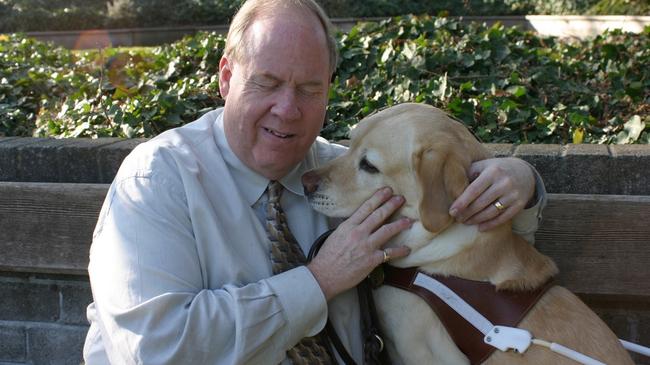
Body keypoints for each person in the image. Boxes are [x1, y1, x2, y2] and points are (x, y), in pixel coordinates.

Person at [82, 0, 546, 363]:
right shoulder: (158, 180)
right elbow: (156, 352)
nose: (288, 109)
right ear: (226, 78)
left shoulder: (345, 174)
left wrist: (519, 185)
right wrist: (319, 281)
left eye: (309, 89)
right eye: (266, 83)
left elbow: (465, 244)